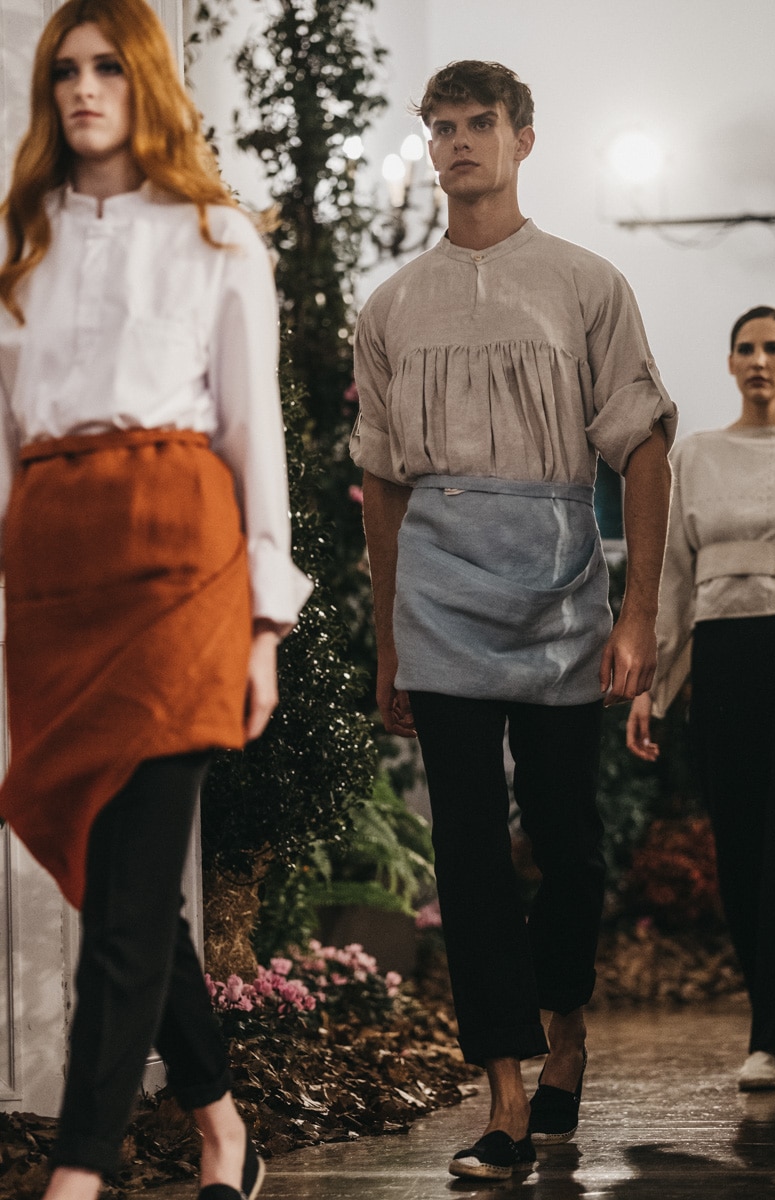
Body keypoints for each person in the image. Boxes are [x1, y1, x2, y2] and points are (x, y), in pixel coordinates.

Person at [0, 2, 312, 1197]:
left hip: (182, 573)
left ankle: (80, 1171)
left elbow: (252, 432)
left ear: (147, 83)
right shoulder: (21, 241)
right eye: (66, 70)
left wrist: (265, 624)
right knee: (119, 878)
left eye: (109, 68)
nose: (85, 89)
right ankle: (223, 1126)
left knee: (125, 897)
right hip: (57, 584)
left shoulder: (216, 237)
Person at [351, 59, 676, 1180]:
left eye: (478, 123)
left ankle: (565, 1028)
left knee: (569, 840)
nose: (457, 143)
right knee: (467, 850)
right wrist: (390, 638)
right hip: (437, 592)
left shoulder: (587, 283)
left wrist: (636, 613)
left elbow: (642, 448)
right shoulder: (391, 304)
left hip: (559, 588)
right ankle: (500, 1091)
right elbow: (382, 483)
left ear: (522, 138)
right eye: (440, 126)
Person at [628, 305, 775, 1093]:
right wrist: (651, 686)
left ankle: (771, 1041)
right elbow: (671, 577)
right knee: (742, 845)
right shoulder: (696, 455)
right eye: (746, 348)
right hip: (725, 659)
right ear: (731, 363)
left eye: (774, 348)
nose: (759, 360)